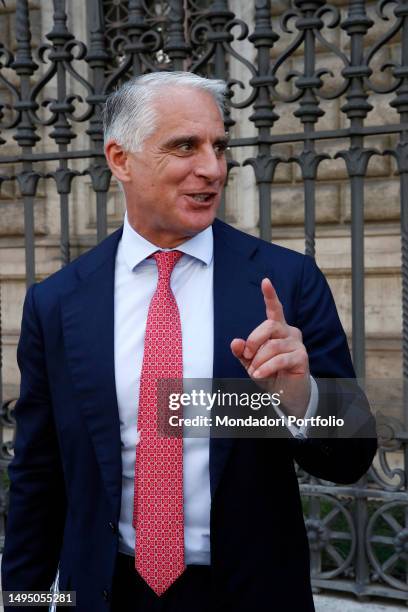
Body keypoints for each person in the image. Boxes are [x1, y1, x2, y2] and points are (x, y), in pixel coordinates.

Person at [2, 72, 376, 612]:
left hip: (250, 595)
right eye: (185, 146)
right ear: (120, 159)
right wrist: (25, 603)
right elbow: (37, 480)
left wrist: (300, 399)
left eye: (219, 146)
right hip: (107, 593)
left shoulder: (285, 282)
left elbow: (352, 457)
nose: (213, 168)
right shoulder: (57, 303)